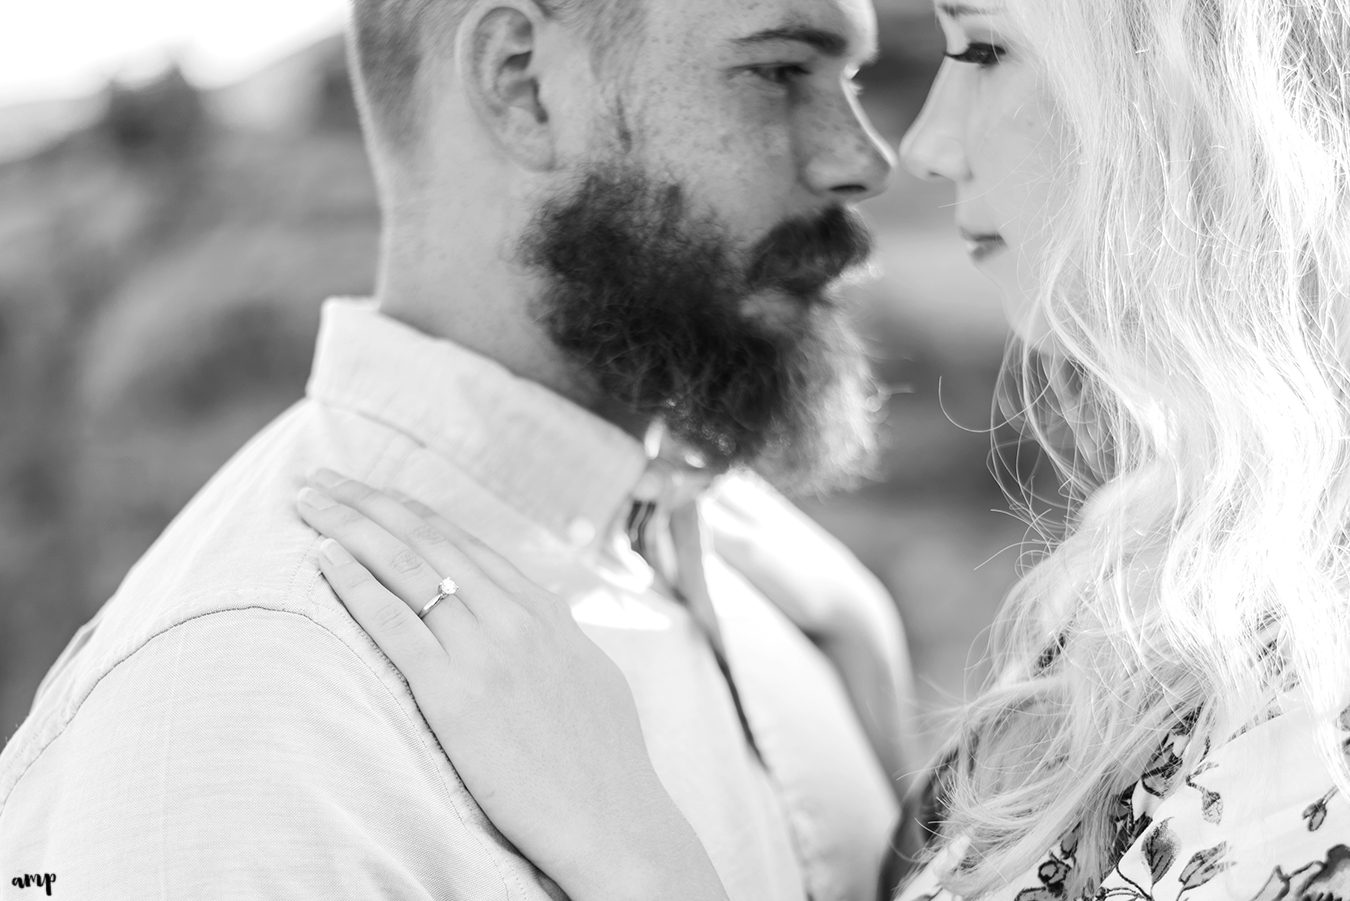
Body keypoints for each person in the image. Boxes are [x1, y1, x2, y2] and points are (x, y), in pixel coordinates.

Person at [300, 0, 1350, 898]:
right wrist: (872, 691)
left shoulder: (1316, 668)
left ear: (1194, 84)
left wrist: (633, 854)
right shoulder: (1180, 553)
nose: (917, 147)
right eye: (778, 72)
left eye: (985, 49)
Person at [0, 0, 921, 896]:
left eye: (852, 78)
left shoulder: (779, 582)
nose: (863, 158)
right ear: (521, 82)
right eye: (779, 71)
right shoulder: (234, 713)